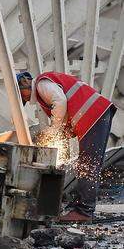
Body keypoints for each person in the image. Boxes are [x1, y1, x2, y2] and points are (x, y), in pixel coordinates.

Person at [16, 71, 116, 223]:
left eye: (21, 94)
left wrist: (54, 131)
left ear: (24, 82)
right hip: (97, 113)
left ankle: (84, 212)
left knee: (87, 165)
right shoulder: (46, 87)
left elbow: (60, 101)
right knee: (87, 164)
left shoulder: (42, 84)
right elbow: (67, 111)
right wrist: (61, 132)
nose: (25, 99)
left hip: (93, 114)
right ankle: (81, 205)